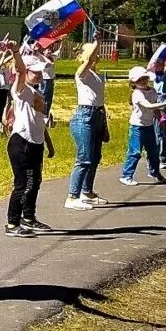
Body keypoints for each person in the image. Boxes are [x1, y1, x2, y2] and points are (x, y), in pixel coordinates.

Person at [2, 44, 50, 237]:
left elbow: (39, 121)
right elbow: (20, 70)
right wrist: (15, 52)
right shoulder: (21, 90)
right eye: (34, 72)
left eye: (40, 72)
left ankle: (28, 218)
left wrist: (48, 143)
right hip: (21, 142)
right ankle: (12, 224)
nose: (38, 75)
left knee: (35, 181)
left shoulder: (37, 93)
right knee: (24, 183)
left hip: (36, 143)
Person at [65, 42, 109, 211]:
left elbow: (99, 100)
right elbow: (89, 59)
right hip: (84, 116)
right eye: (91, 51)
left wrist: (105, 125)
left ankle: (86, 192)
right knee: (84, 158)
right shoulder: (81, 73)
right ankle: (72, 196)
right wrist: (98, 42)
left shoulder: (98, 75)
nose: (95, 54)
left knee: (95, 156)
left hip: (98, 114)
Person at [119, 67, 166, 187]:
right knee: (135, 152)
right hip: (137, 127)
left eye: (144, 78)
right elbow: (149, 106)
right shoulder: (137, 94)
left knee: (153, 151)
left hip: (149, 125)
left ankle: (155, 172)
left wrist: (159, 119)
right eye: (139, 80)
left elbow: (155, 109)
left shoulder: (152, 91)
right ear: (133, 83)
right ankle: (126, 175)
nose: (143, 81)